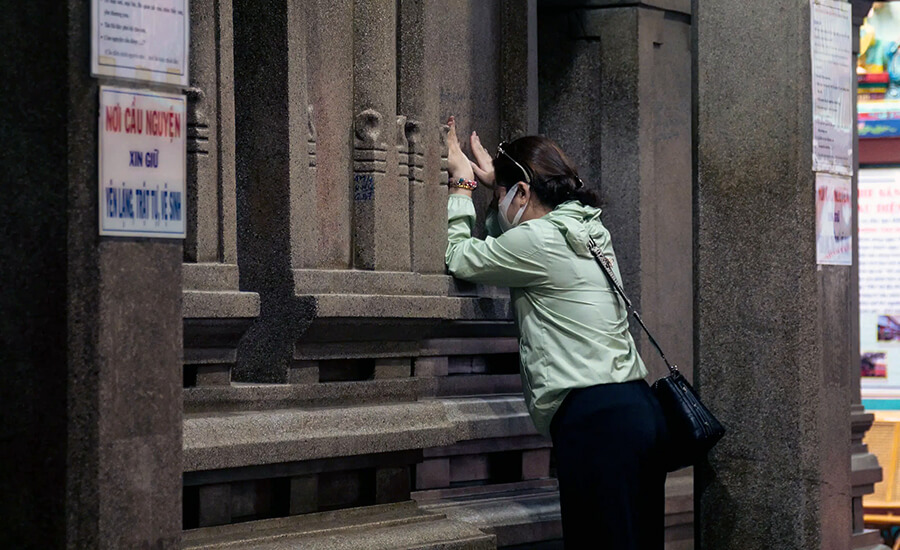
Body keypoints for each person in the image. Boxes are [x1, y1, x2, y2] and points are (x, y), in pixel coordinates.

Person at [443, 116, 668, 549]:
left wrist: (463, 185)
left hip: (595, 420)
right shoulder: (589, 228)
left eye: (507, 192)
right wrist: (498, 188)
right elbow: (509, 243)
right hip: (638, 410)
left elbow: (461, 256)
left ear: (524, 192)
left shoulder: (540, 241)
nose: (502, 200)